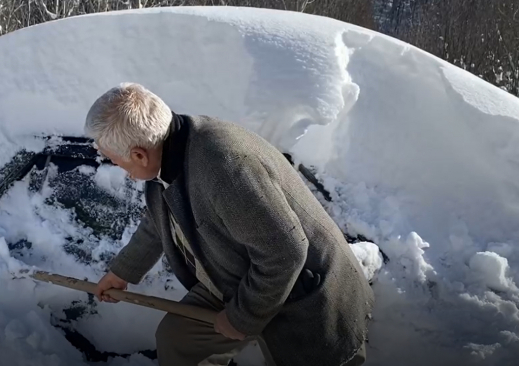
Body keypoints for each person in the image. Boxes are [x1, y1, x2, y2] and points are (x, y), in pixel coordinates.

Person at [85, 82, 375, 366]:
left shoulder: (223, 168)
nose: (123, 172)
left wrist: (243, 317)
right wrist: (122, 272)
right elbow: (159, 221)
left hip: (303, 294)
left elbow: (285, 254)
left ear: (138, 154)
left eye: (117, 162)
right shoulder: (167, 149)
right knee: (178, 339)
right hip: (232, 274)